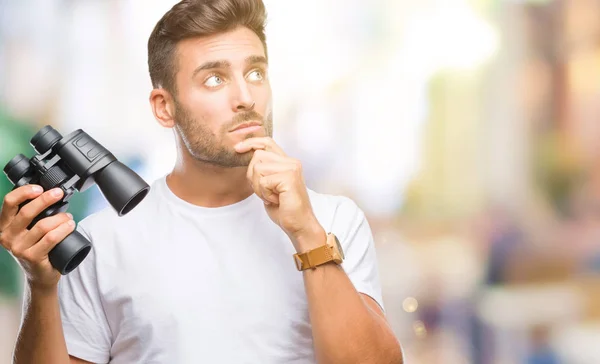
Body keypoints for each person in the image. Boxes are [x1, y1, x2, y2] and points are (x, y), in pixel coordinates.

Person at [0, 0, 403, 363]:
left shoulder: (333, 220)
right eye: (215, 79)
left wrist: (306, 233)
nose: (246, 97)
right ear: (164, 107)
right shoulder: (101, 242)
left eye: (256, 71)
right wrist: (42, 286)